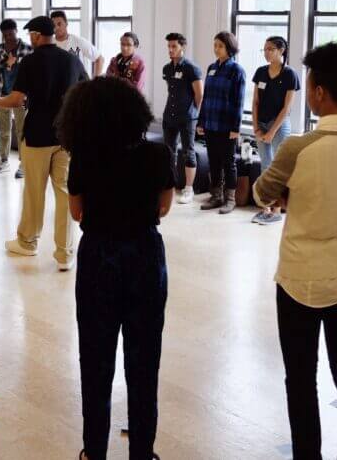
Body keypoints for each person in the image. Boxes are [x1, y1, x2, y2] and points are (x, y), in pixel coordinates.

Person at [254, 41, 337, 460]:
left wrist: (289, 193)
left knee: (301, 377)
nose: (308, 91)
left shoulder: (298, 147)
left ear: (321, 92)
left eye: (310, 84)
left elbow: (260, 193)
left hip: (300, 280)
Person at [60, 76, 173, 460]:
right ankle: (142, 451)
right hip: (145, 255)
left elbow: (77, 212)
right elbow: (164, 207)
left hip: (98, 258)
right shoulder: (157, 154)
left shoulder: (84, 159)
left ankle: (94, 450)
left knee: (95, 361)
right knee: (144, 364)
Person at [0, 16, 87, 270]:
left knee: (34, 191)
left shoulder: (30, 62)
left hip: (37, 136)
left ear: (35, 35)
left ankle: (28, 243)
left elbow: (17, 98)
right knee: (64, 192)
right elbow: (86, 92)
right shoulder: (72, 60)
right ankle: (65, 254)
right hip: (65, 137)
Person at [251, 36, 300, 225]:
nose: (266, 52)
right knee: (265, 164)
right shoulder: (261, 72)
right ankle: (265, 208)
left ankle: (277, 209)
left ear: (281, 50)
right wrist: (256, 127)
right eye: (264, 49)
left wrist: (272, 131)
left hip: (279, 125)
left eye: (270, 49)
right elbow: (255, 102)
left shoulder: (289, 74)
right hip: (261, 123)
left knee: (279, 168)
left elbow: (286, 108)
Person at [196, 31, 246, 214]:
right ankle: (216, 195)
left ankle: (230, 199)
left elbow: (238, 101)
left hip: (227, 126)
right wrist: (201, 121)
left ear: (229, 48)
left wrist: (235, 127)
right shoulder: (211, 68)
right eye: (215, 45)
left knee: (229, 162)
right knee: (214, 161)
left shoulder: (236, 71)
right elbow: (206, 97)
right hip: (210, 123)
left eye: (220, 46)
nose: (216, 49)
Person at [161, 33, 203, 205]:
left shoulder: (191, 68)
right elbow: (172, 92)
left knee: (188, 151)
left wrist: (195, 115)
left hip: (187, 117)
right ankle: (169, 185)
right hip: (169, 116)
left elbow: (199, 94)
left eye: (174, 47)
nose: (170, 50)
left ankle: (188, 189)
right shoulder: (167, 68)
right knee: (168, 152)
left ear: (182, 47)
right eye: (169, 47)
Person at [0, 19, 32, 178]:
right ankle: (3, 160)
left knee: (21, 131)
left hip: (20, 96)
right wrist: (8, 63)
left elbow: (31, 71)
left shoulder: (27, 48)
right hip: (2, 94)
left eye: (10, 33)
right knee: (4, 131)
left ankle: (23, 163)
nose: (8, 37)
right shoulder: (0, 48)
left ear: (16, 31)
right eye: (5, 34)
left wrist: (16, 64)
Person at [52, 10, 103, 76]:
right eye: (54, 25)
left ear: (66, 23)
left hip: (77, 84)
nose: (56, 28)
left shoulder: (78, 41)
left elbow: (99, 59)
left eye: (59, 24)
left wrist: (95, 82)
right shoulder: (49, 44)